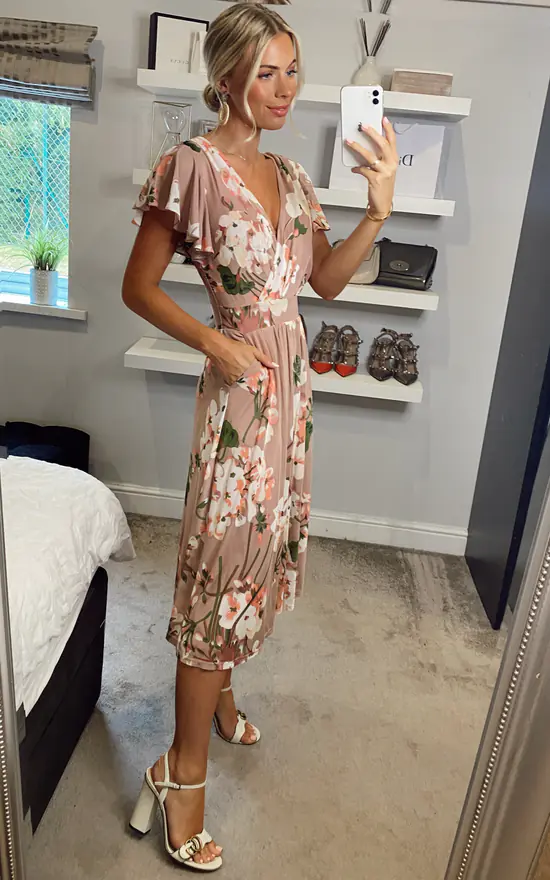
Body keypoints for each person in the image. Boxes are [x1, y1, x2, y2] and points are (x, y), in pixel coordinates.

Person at [122, 2, 397, 871]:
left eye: (292, 70)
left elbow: (329, 283)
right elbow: (137, 287)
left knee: (261, 556)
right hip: (241, 400)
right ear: (227, 77)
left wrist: (377, 213)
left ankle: (222, 699)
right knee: (221, 574)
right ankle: (180, 774)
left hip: (290, 399)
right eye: (267, 72)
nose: (286, 89)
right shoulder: (191, 168)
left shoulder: (292, 175)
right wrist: (214, 342)